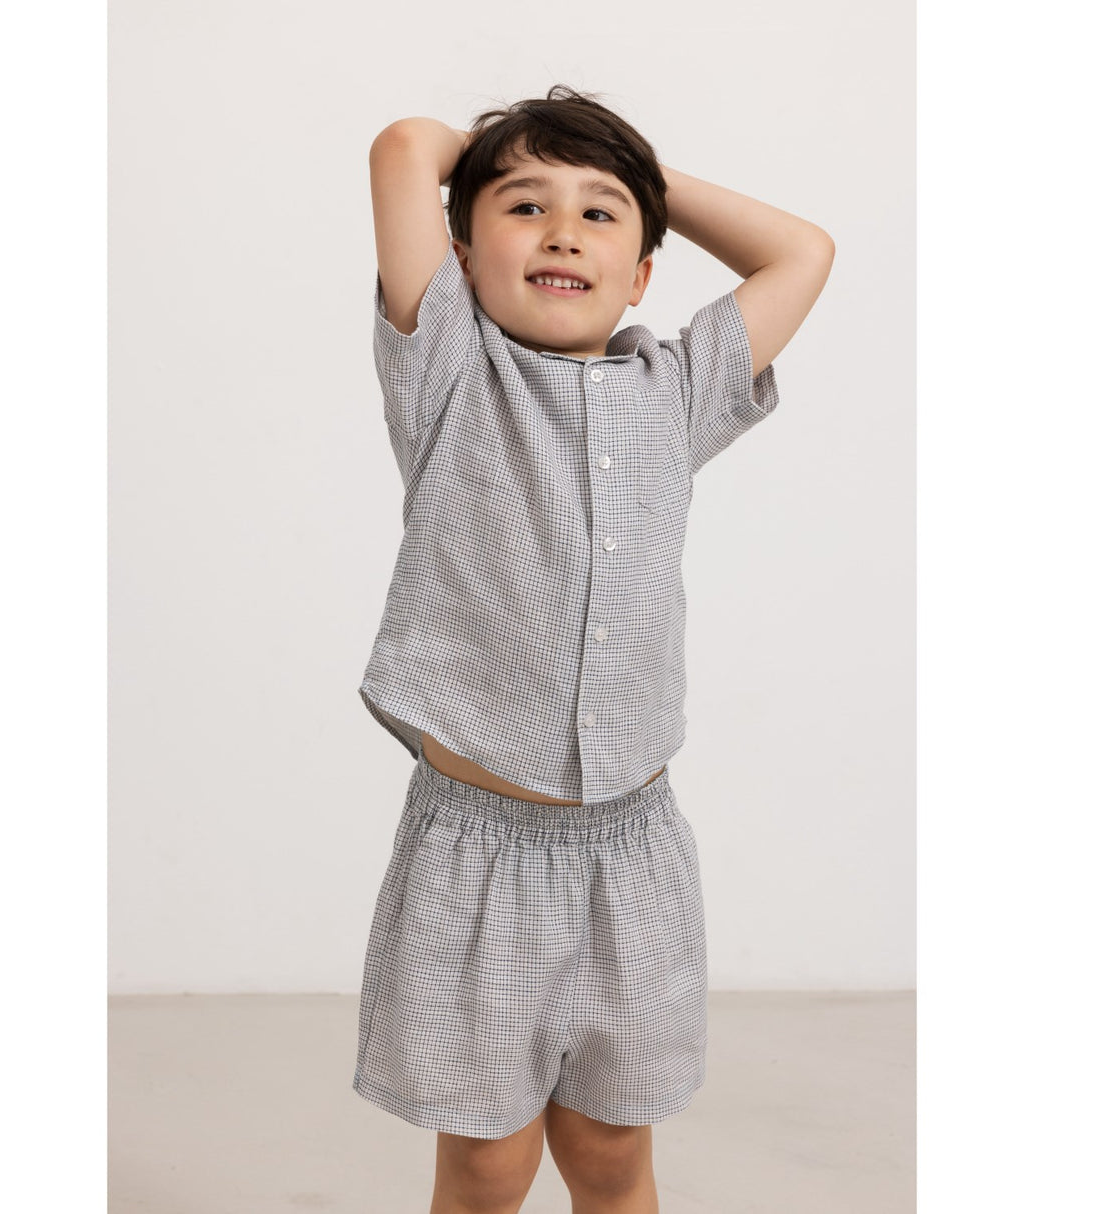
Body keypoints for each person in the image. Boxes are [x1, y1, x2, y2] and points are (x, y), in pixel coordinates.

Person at [352, 84, 834, 1213]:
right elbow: (404, 146)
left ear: (642, 275)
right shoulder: (450, 372)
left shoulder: (678, 389)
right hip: (480, 858)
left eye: (600, 214)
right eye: (525, 207)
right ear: (462, 255)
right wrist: (498, 150)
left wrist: (639, 174)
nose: (563, 231)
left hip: (633, 854)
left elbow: (801, 252)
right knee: (487, 1166)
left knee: (613, 1154)